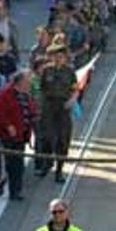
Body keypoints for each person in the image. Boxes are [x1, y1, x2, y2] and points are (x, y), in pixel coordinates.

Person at [0, 71, 36, 201]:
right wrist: (8, 125)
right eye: (27, 81)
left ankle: (16, 190)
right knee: (9, 164)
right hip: (7, 136)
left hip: (21, 136)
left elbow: (30, 109)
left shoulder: (26, 95)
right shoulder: (5, 94)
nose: (29, 83)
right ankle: (7, 187)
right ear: (20, 82)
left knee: (18, 164)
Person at [36, 36, 76, 183]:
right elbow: (41, 89)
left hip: (63, 107)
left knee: (63, 139)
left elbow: (75, 88)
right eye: (56, 56)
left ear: (65, 58)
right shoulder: (47, 70)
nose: (59, 59)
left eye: (61, 56)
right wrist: (40, 107)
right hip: (49, 106)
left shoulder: (69, 71)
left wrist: (72, 100)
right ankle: (46, 164)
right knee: (46, 137)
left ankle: (59, 171)